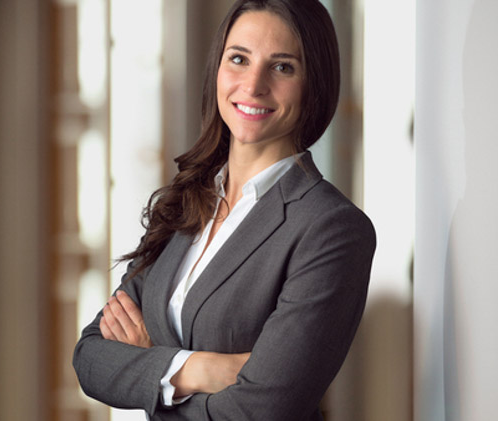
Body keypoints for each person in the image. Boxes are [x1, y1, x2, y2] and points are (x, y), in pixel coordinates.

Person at [72, 1, 377, 419]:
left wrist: (151, 366)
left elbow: (263, 409)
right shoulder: (185, 201)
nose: (253, 85)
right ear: (218, 68)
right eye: (239, 59)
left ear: (314, 84)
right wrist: (199, 368)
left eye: (282, 67)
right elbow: (90, 358)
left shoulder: (332, 229)